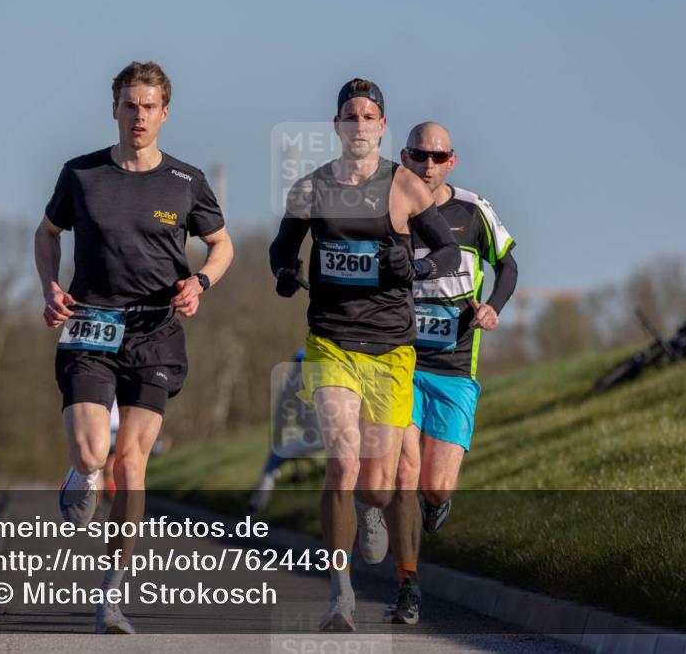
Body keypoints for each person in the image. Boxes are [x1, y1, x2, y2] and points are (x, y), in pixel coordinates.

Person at [34, 61, 233, 634]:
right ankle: (80, 474)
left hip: (156, 331)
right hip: (90, 324)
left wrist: (201, 282)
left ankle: (112, 595)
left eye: (149, 106)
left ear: (164, 112)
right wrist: (50, 286)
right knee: (93, 452)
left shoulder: (186, 181)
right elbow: (47, 233)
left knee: (133, 462)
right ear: (115, 109)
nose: (138, 115)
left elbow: (221, 245)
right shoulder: (81, 174)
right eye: (129, 104)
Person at [268, 79, 460, 632]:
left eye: (369, 116)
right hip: (330, 339)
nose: (359, 124)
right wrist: (284, 272)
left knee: (376, 483)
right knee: (342, 462)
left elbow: (446, 249)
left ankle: (371, 509)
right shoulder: (311, 188)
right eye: (349, 115)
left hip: (391, 349)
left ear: (381, 127)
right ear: (337, 126)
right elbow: (282, 246)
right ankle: (341, 594)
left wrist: (417, 268)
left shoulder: (404, 187)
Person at [383, 122, 518, 625]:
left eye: (439, 156)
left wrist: (492, 307)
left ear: (452, 161)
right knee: (403, 473)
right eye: (419, 155)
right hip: (400, 359)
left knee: (436, 486)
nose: (428, 164)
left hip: (456, 366)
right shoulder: (389, 206)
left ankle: (435, 504)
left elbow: (509, 266)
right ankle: (408, 586)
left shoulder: (473, 210)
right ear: (404, 155)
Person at [248, 349, 324, 516]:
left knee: (274, 460)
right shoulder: (325, 380)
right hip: (337, 437)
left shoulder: (291, 386)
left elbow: (281, 419)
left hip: (313, 438)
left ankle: (256, 506)